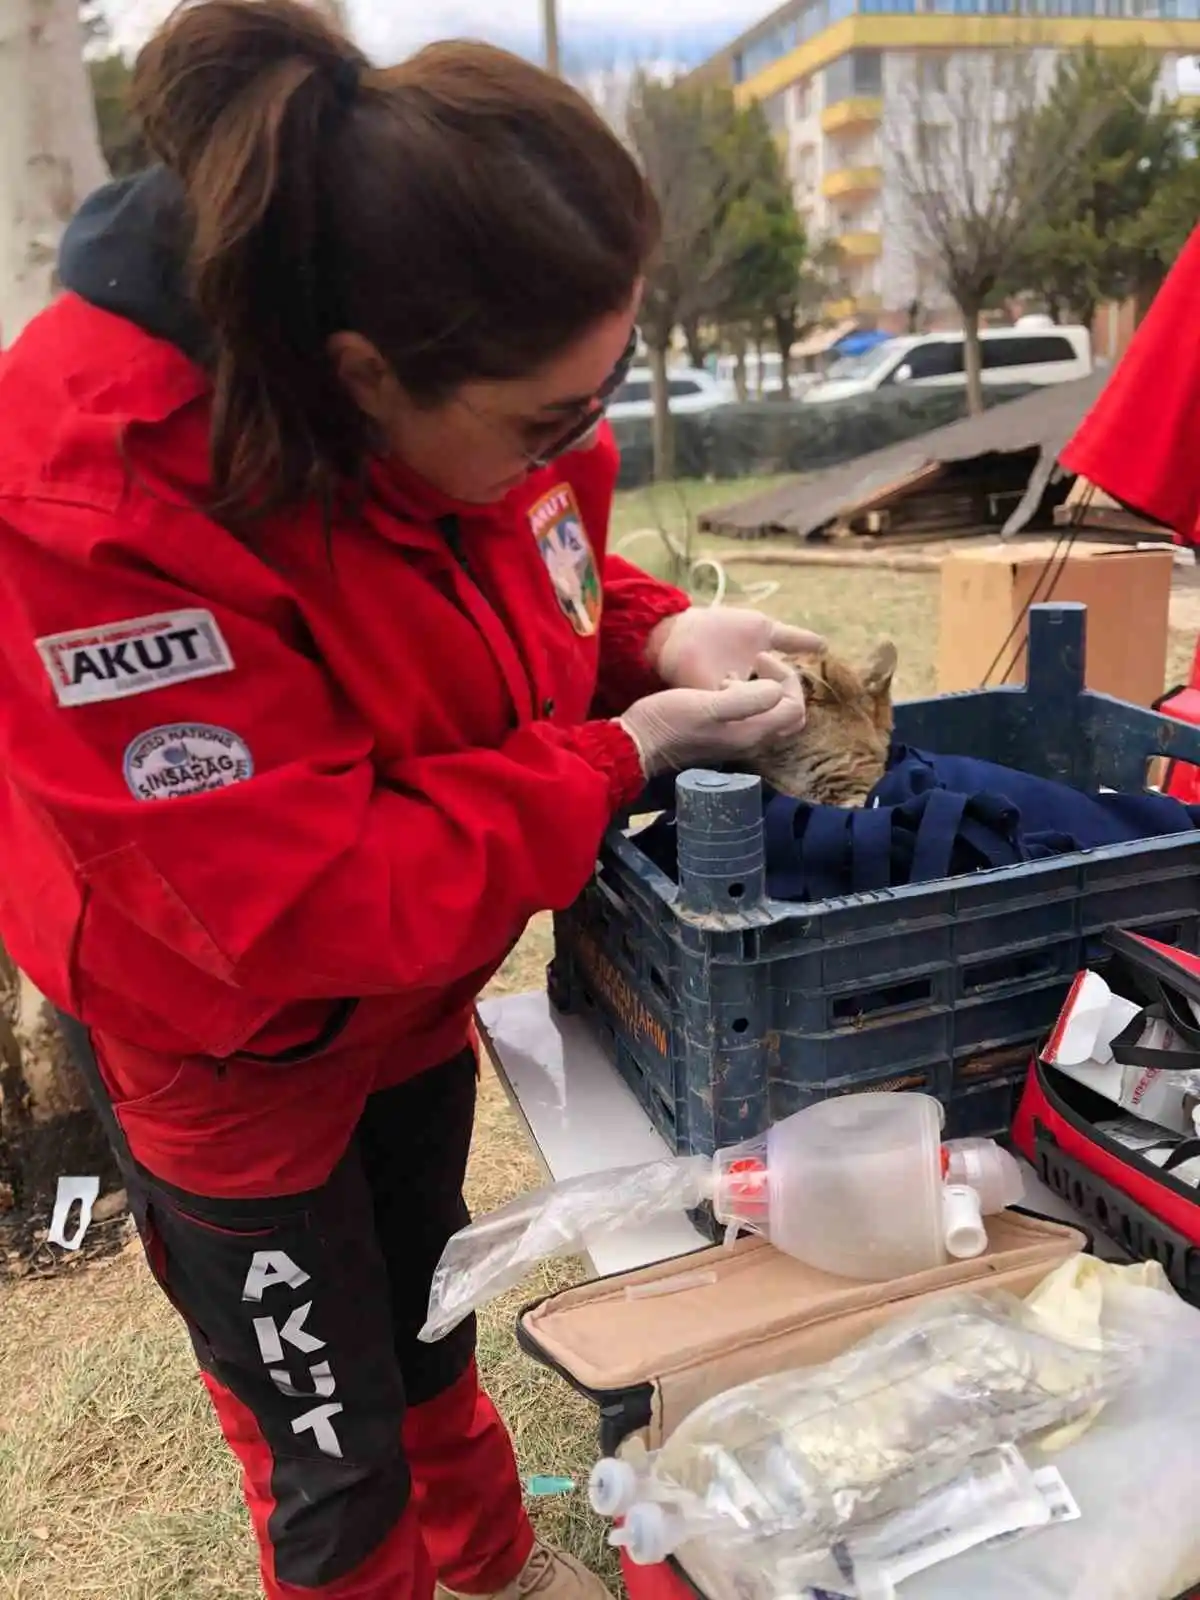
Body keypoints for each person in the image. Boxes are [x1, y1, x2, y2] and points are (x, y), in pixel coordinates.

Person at [0, 3, 820, 1597]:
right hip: (225, 1037)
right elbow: (294, 900)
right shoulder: (93, 500)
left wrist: (652, 629)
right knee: (326, 1440)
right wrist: (624, 750)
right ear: (364, 380)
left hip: (407, 1000)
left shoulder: (461, 383)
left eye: (607, 396)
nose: (573, 453)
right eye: (548, 424)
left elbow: (524, 562)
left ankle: (498, 1567)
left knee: (427, 1309)